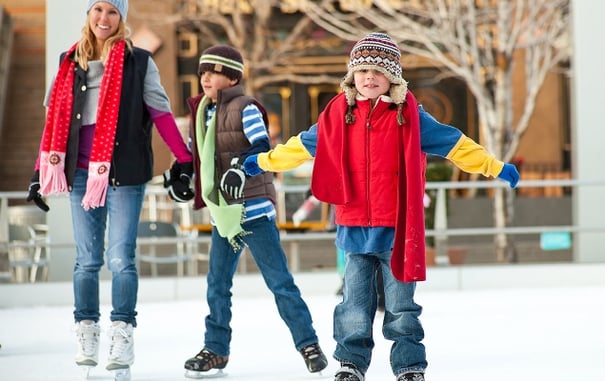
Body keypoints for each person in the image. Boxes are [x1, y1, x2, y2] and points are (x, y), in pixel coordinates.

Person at [243, 32, 520, 381]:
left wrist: (495, 167)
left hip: (398, 229)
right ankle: (350, 364)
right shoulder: (337, 118)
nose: (369, 77)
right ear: (351, 76)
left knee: (402, 307)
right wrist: (264, 161)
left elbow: (457, 145)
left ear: (392, 76)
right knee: (354, 307)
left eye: (377, 70)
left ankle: (409, 366)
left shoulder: (411, 118)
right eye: (362, 71)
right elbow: (299, 147)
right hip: (355, 226)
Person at [25, 1, 193, 380]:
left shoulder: (139, 62)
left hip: (125, 173)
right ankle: (86, 330)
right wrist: (39, 172)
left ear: (122, 18)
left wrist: (183, 159)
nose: (104, 18)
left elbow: (161, 113)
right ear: (89, 15)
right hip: (79, 173)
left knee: (120, 258)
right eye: (98, 9)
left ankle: (122, 331)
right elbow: (52, 122)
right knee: (86, 260)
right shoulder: (69, 62)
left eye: (112, 11)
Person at [181, 44, 328, 378]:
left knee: (280, 283)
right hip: (225, 214)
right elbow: (199, 157)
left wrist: (241, 167)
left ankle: (308, 344)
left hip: (254, 210)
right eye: (203, 71)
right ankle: (216, 350)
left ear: (232, 76)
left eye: (213, 72)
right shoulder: (203, 110)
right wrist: (181, 172)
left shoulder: (245, 107)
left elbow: (262, 146)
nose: (205, 78)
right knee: (217, 284)